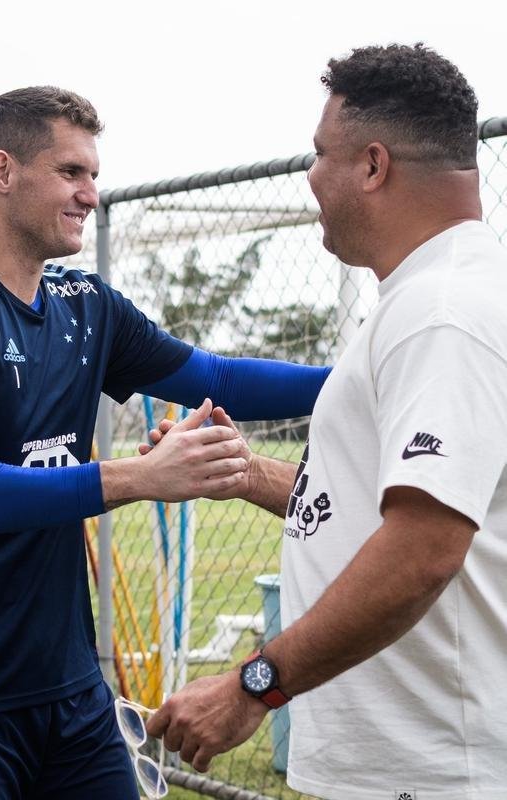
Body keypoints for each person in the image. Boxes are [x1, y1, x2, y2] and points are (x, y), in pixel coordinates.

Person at [0, 86, 330, 799]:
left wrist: (364, 377)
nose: (91, 194)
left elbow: (216, 378)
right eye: (71, 172)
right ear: (2, 171)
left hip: (70, 685)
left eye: (93, 174)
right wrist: (141, 477)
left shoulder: (85, 305)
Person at [146, 43, 507, 800]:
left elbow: (422, 548)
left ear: (373, 166)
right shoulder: (429, 297)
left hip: (439, 772)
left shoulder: (441, 312)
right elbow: (383, 504)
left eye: (319, 154)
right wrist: (244, 473)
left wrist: (252, 685)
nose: (309, 176)